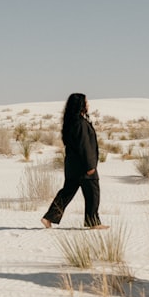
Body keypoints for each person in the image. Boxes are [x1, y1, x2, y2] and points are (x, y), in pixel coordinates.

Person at [41, 93, 109, 230]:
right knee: (93, 194)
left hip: (72, 166)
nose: (88, 104)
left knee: (67, 192)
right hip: (83, 167)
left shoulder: (71, 122)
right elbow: (84, 146)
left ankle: (49, 217)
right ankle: (93, 222)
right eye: (86, 102)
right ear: (81, 105)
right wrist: (90, 166)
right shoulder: (80, 123)